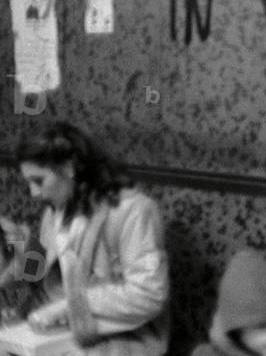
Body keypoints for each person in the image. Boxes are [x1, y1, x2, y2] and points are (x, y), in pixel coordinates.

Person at [0, 121, 170, 355]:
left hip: (116, 334)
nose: (33, 193)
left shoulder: (133, 210)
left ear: (69, 168)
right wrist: (21, 245)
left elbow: (149, 295)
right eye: (28, 182)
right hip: (53, 325)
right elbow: (37, 272)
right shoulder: (55, 210)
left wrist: (68, 307)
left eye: (38, 181)